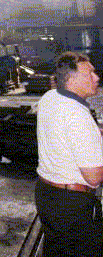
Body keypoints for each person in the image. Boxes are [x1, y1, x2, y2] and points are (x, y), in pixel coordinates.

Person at [35, 51, 103, 257]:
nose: (97, 78)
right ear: (72, 80)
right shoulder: (77, 115)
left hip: (46, 194)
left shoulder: (50, 97)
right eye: (90, 73)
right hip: (72, 205)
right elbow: (94, 177)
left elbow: (63, 131)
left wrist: (96, 133)